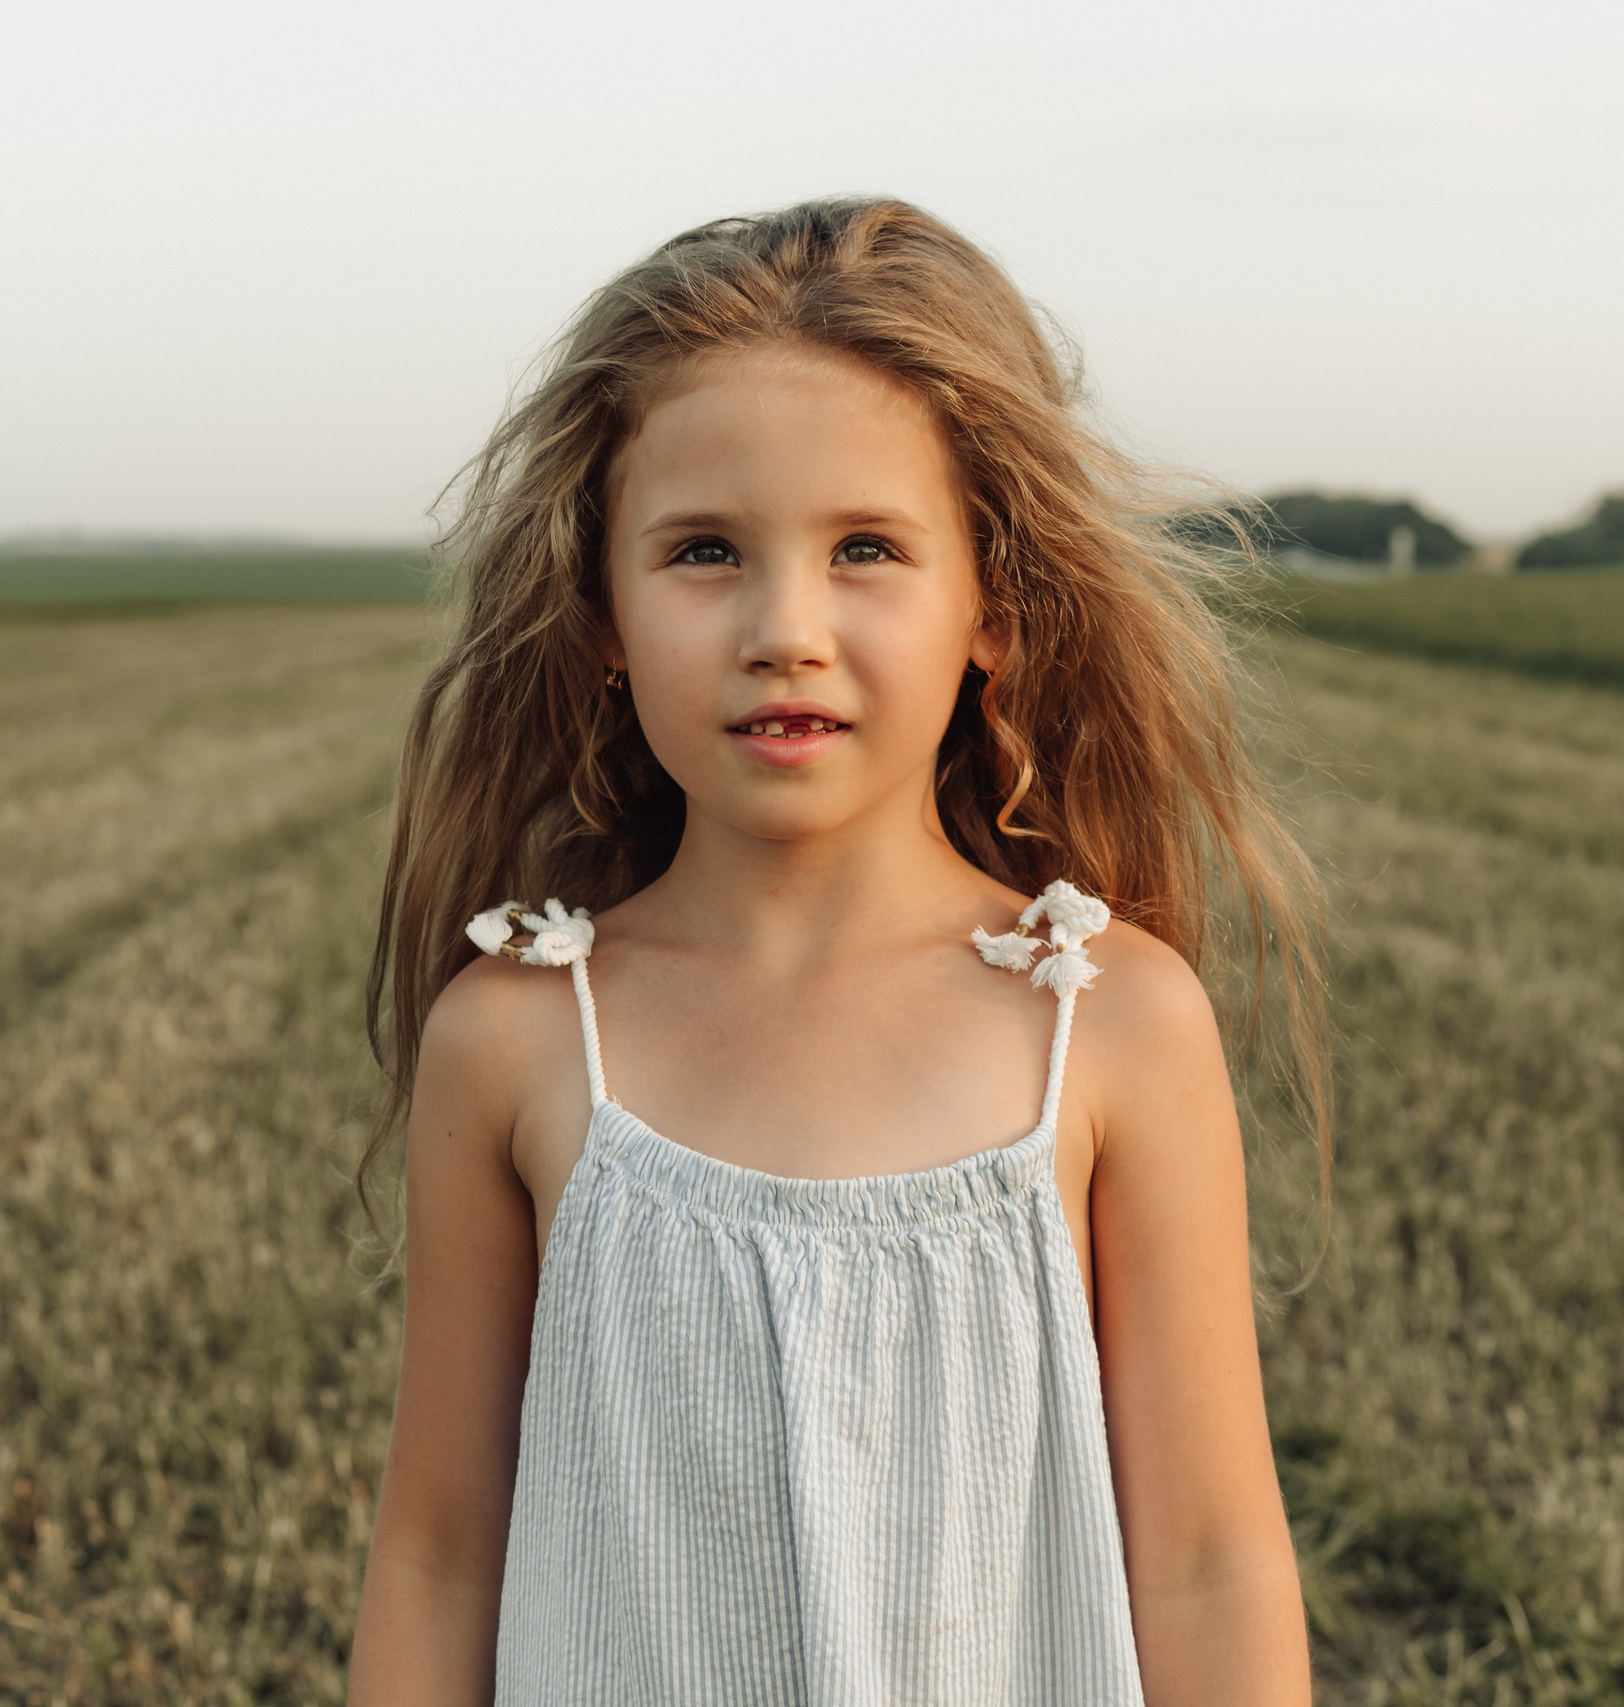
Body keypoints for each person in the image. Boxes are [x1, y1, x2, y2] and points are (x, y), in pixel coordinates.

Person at [347, 197, 1330, 1707]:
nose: (783, 628)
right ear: (600, 611)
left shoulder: (1112, 1022)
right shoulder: (520, 1038)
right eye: (702, 553)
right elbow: (440, 1555)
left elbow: (1206, 1558)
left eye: (866, 546)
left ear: (992, 604)